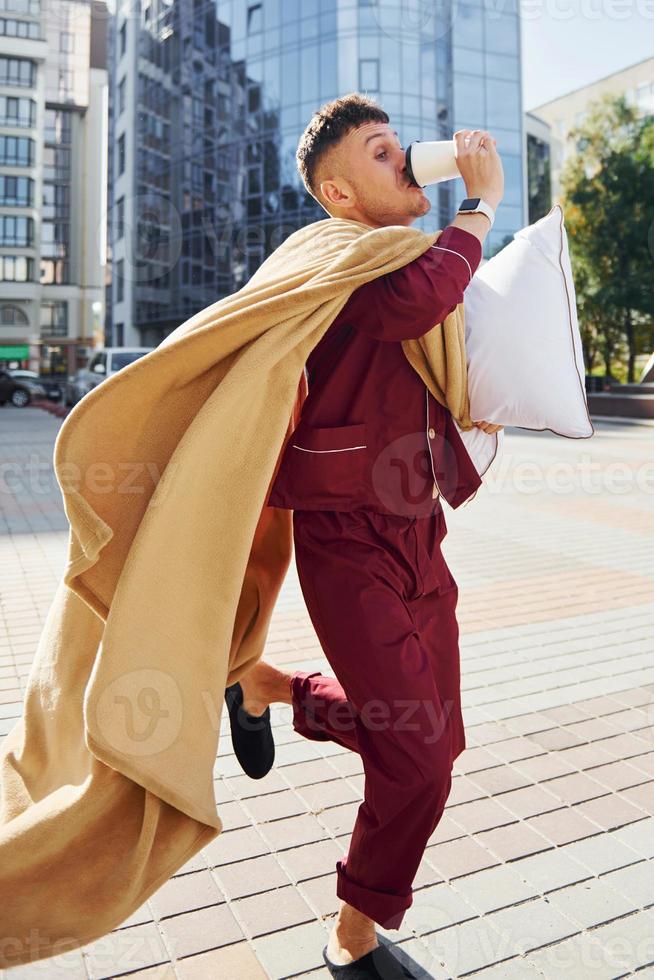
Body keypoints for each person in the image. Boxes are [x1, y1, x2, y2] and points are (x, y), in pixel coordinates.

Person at [228, 94, 504, 977]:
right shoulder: (334, 258)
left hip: (419, 533)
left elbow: (444, 318)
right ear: (339, 193)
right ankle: (352, 937)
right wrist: (480, 206)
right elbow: (409, 308)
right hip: (344, 536)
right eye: (384, 154)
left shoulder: (402, 254)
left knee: (431, 742)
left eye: (401, 146)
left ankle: (270, 687)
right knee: (418, 760)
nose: (407, 161)